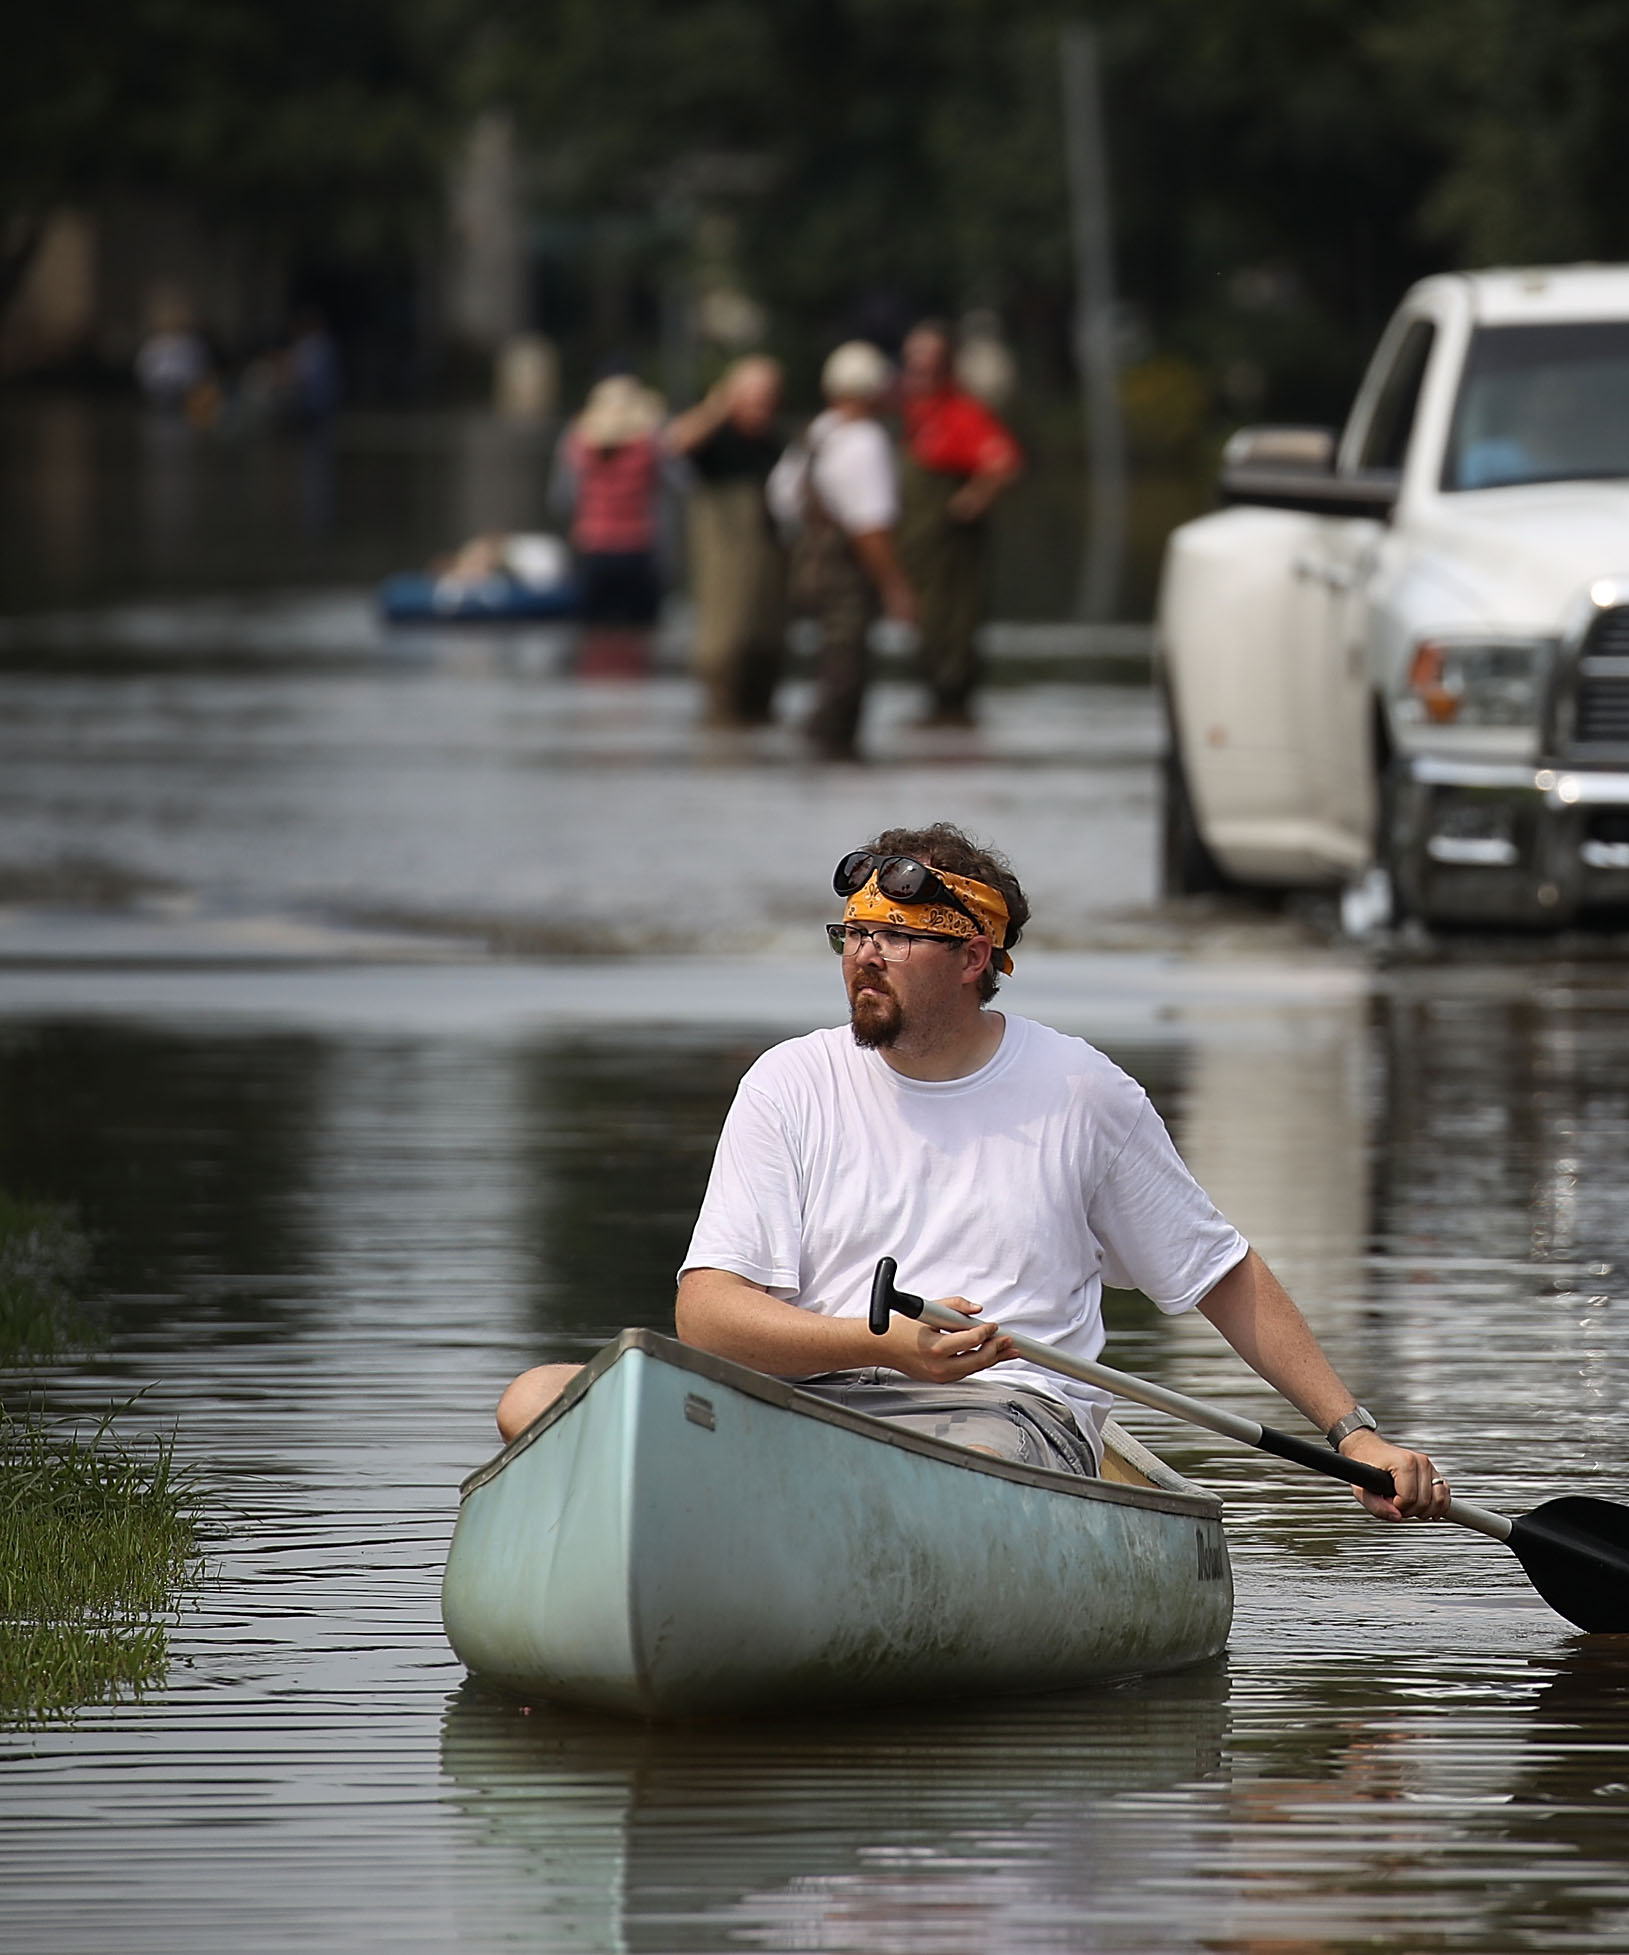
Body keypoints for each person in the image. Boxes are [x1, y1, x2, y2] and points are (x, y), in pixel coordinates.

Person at [491, 822, 1451, 1526]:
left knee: (946, 1463)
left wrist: (1353, 1433)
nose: (865, 955)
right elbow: (706, 1315)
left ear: (973, 957)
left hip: (1008, 1420)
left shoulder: (1080, 1092)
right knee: (536, 1397)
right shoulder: (789, 1082)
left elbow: (1220, 1275)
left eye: (895, 937)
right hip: (815, 1401)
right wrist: (877, 1345)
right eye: (852, 936)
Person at [771, 342, 919, 760]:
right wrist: (896, 587)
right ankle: (828, 753)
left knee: (828, 662)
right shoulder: (865, 441)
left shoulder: (816, 432)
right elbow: (869, 527)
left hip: (806, 567)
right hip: (845, 573)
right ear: (871, 390)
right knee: (846, 670)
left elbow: (780, 499)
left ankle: (814, 748)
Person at [896, 320, 1024, 725]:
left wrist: (974, 498)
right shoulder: (907, 410)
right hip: (916, 558)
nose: (921, 366)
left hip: (950, 558)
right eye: (914, 357)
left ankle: (952, 720)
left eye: (930, 358)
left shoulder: (961, 412)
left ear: (946, 363)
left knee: (951, 644)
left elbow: (1004, 462)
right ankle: (937, 721)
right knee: (923, 637)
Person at [664, 356, 790, 725]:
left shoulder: (776, 445)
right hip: (725, 581)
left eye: (768, 400)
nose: (761, 408)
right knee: (723, 658)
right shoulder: (713, 441)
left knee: (765, 654)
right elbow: (673, 443)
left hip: (767, 585)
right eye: (753, 398)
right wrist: (717, 405)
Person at [555, 374, 668, 625]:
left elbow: (563, 499)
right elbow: (675, 484)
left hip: (593, 547)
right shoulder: (651, 446)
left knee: (593, 633)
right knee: (641, 635)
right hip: (638, 547)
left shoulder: (575, 446)